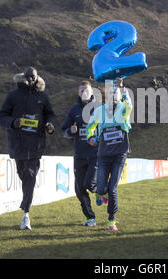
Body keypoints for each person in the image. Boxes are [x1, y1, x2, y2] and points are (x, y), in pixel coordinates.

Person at [0, 67, 56, 230]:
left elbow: (51, 115)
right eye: (29, 77)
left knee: (30, 173)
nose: (31, 79)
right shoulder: (13, 96)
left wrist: (50, 125)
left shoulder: (42, 97)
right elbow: (2, 115)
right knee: (23, 174)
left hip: (36, 143)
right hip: (18, 143)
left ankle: (26, 213)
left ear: (38, 78)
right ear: (24, 77)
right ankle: (26, 204)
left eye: (34, 77)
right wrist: (12, 123)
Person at [86, 78, 132, 231]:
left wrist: (122, 87)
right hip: (104, 155)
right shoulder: (99, 111)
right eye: (110, 93)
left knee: (112, 188)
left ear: (119, 96)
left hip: (119, 155)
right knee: (100, 187)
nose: (113, 96)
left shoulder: (123, 109)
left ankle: (111, 220)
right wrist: (90, 137)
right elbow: (90, 126)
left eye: (116, 93)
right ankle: (99, 193)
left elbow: (129, 105)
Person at [61, 80, 99, 227]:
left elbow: (107, 128)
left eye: (87, 90)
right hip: (79, 155)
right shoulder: (73, 111)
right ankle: (90, 218)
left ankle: (101, 191)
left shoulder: (99, 109)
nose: (84, 92)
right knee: (79, 188)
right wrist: (71, 131)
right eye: (82, 90)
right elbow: (64, 131)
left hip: (95, 154)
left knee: (90, 184)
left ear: (92, 92)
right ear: (78, 92)